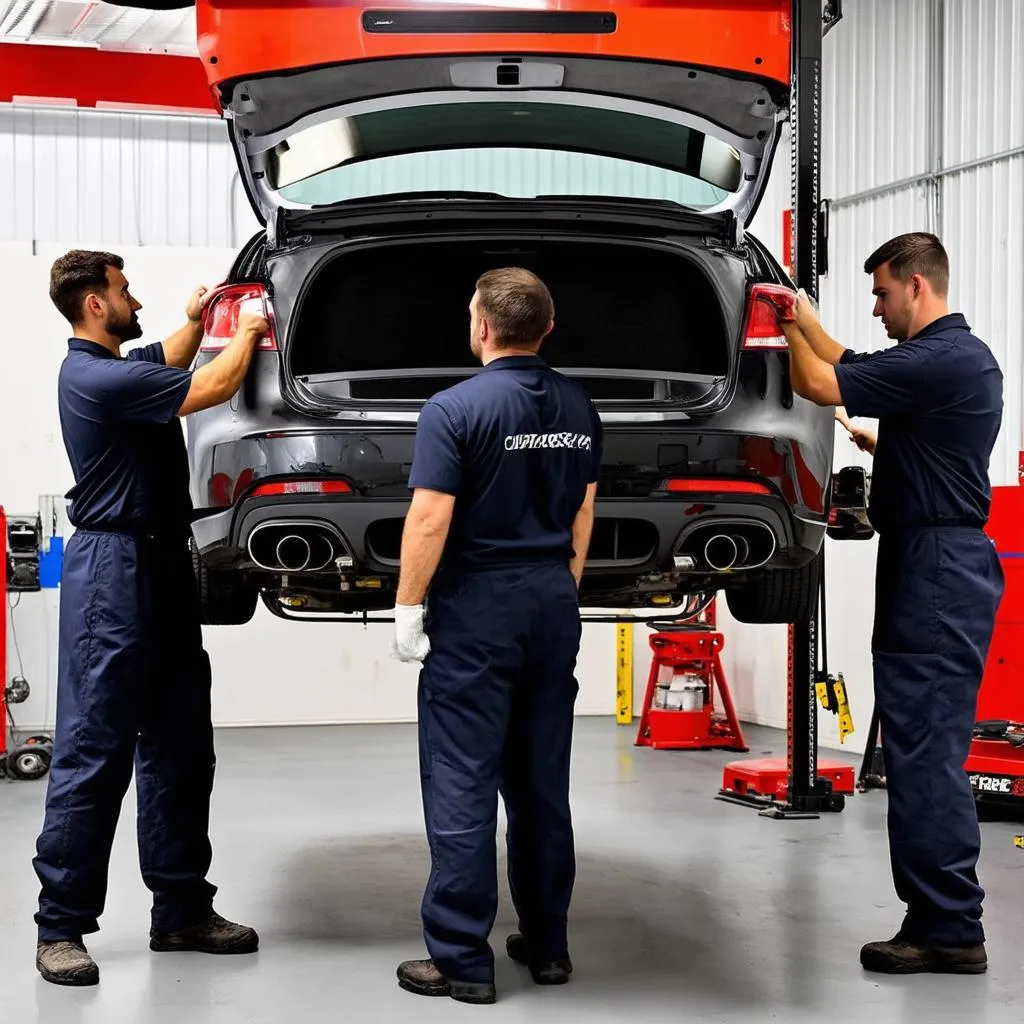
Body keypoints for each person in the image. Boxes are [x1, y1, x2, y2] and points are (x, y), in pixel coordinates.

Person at [33, 250, 270, 987]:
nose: (133, 297)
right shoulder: (97, 377)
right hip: (112, 572)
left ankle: (181, 911)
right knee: (94, 750)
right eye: (123, 289)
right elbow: (208, 383)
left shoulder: (118, 367)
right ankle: (60, 927)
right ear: (94, 304)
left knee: (179, 748)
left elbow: (168, 354)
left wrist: (199, 320)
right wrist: (250, 329)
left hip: (164, 563)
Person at [770, 233, 1004, 975]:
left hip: (937, 568)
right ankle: (940, 916)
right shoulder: (944, 361)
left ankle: (948, 927)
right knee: (918, 745)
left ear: (917, 287)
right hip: (929, 560)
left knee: (926, 753)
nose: (875, 308)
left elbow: (816, 380)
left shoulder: (942, 358)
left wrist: (774, 323)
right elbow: (842, 358)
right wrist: (805, 316)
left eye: (880, 293)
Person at [390, 267, 601, 1004]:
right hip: (550, 599)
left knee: (462, 780)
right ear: (547, 328)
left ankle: (460, 961)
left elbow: (429, 518)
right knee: (543, 784)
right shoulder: (578, 404)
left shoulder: (453, 409)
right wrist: (558, 593)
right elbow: (582, 512)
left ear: (482, 326)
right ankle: (547, 946)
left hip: (478, 606)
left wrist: (408, 606)